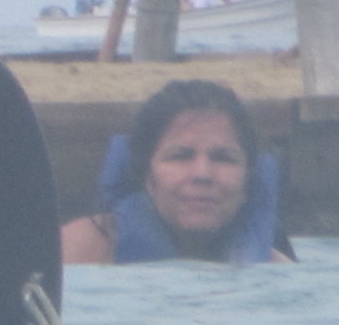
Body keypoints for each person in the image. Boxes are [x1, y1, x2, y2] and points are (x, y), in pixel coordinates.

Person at [61, 80, 295, 265]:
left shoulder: (276, 273)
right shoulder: (78, 251)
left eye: (223, 158)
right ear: (146, 175)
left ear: (248, 181)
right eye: (180, 156)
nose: (202, 173)